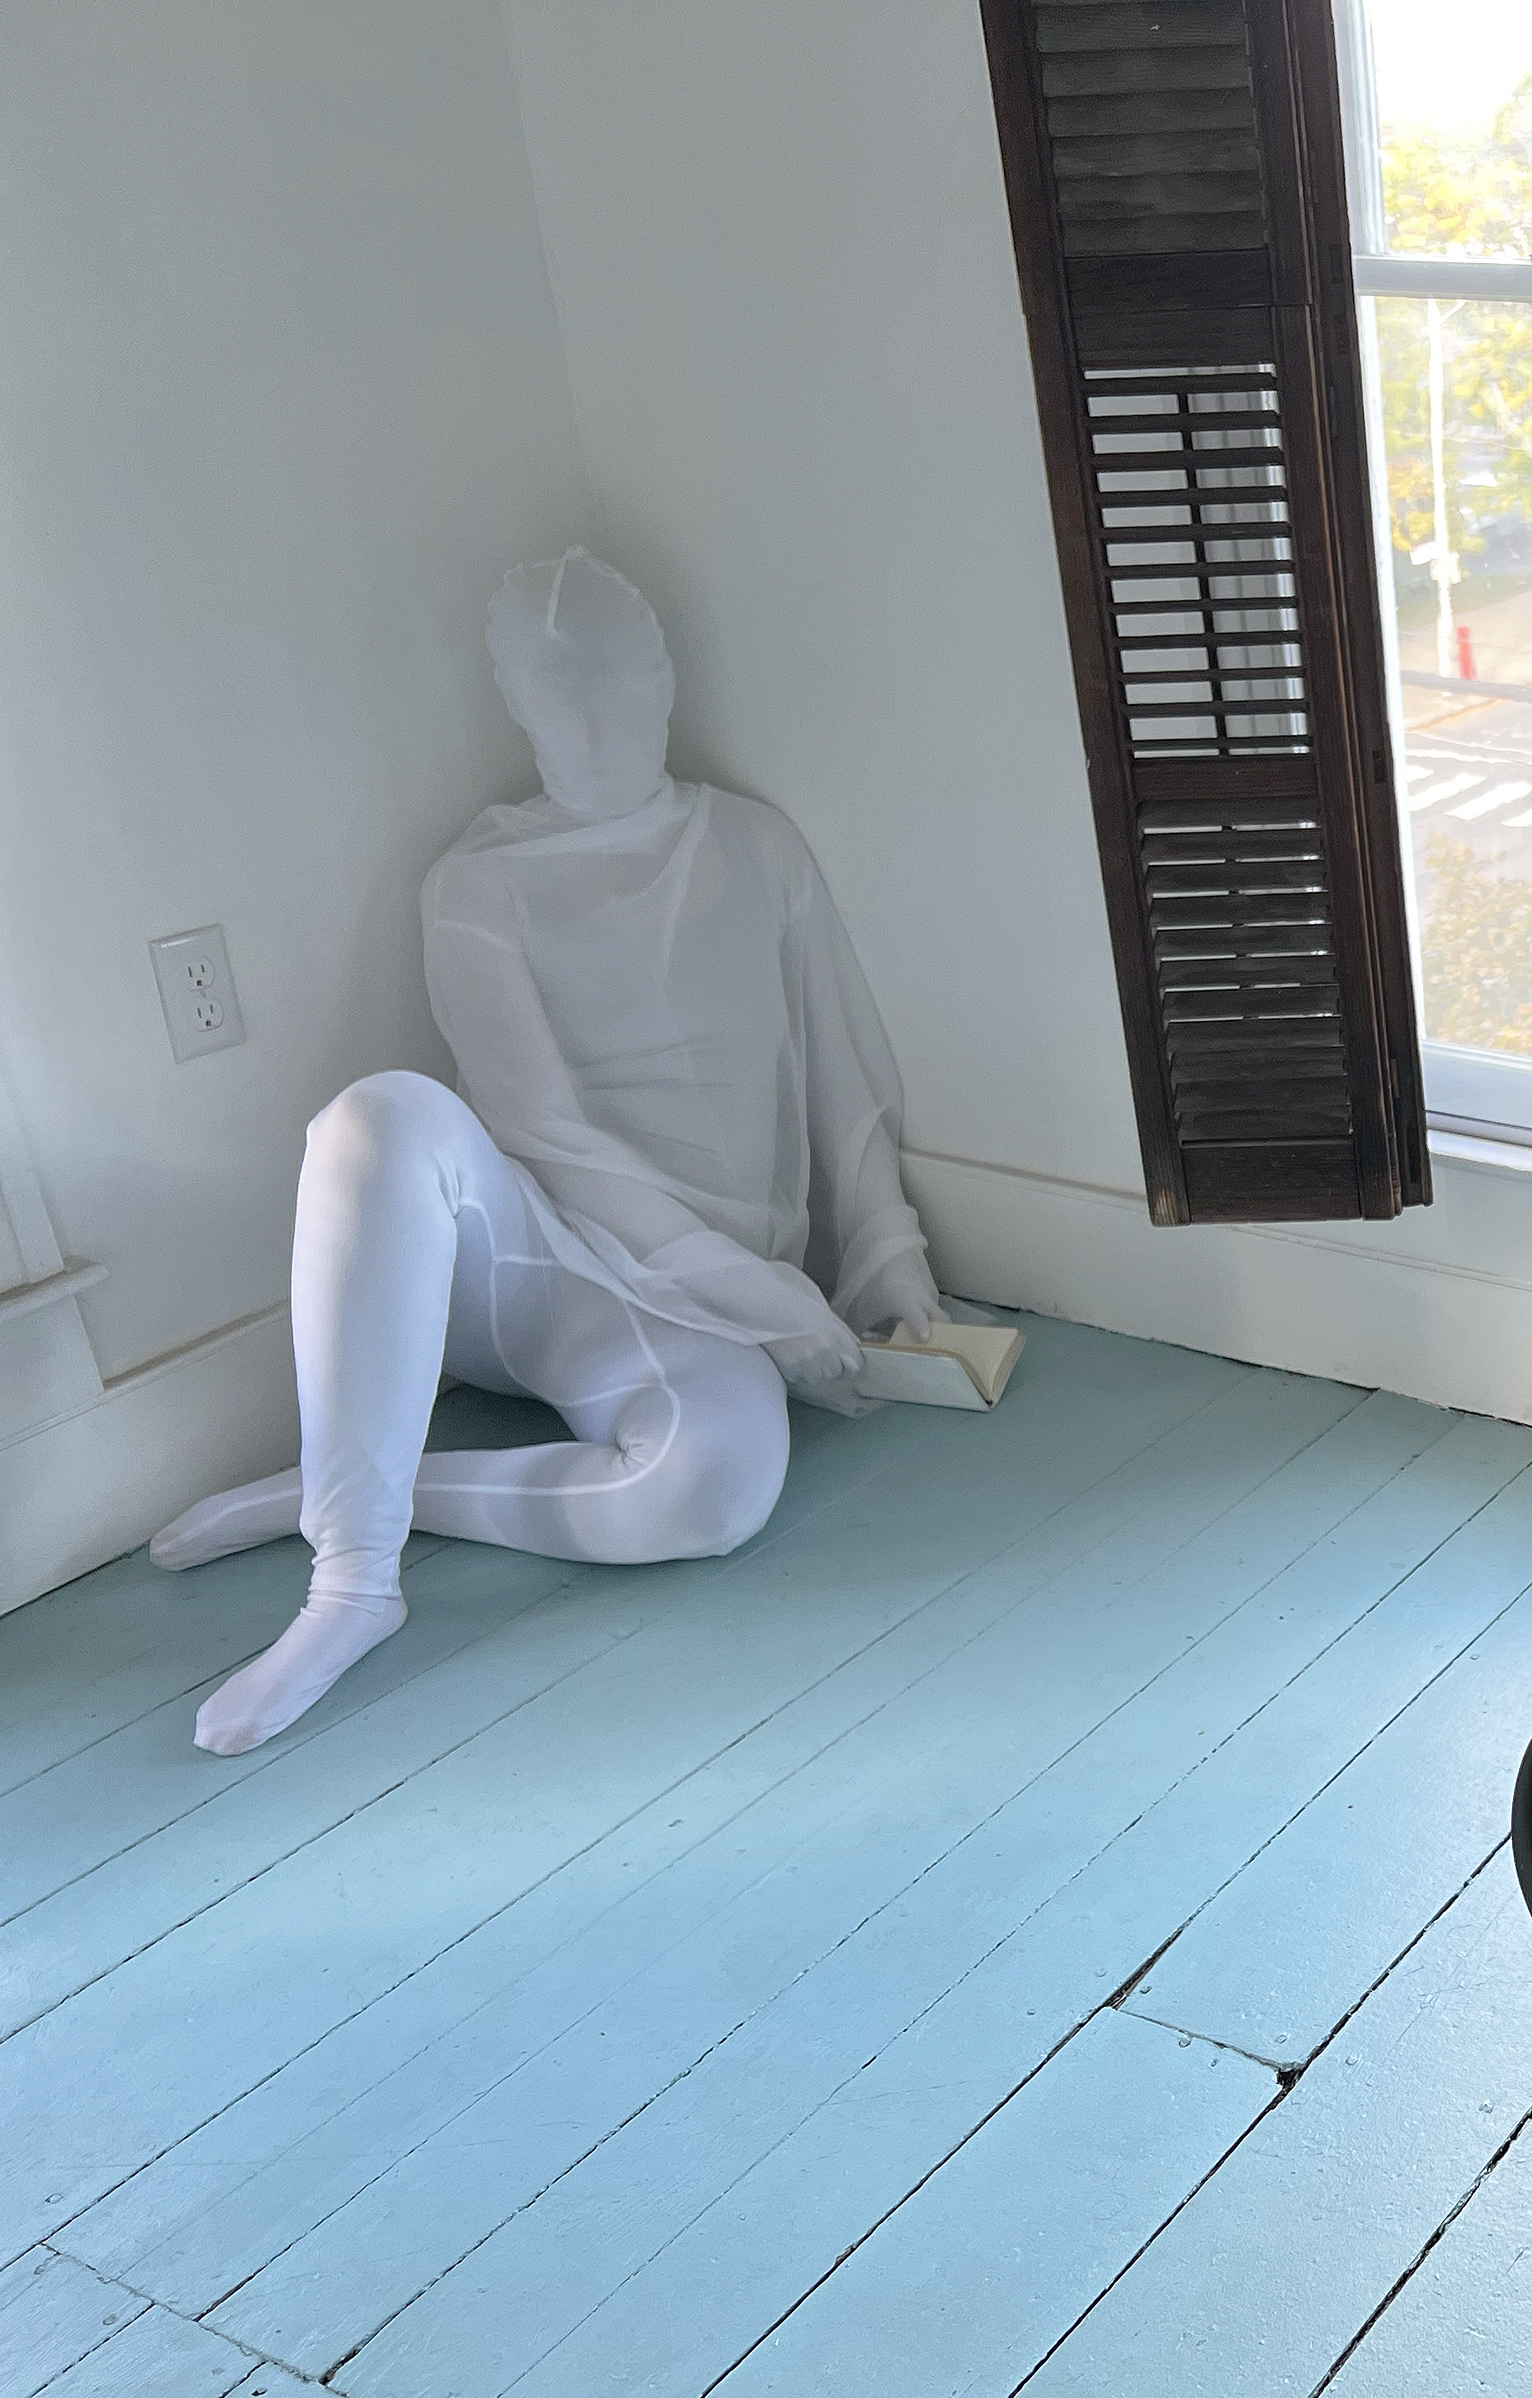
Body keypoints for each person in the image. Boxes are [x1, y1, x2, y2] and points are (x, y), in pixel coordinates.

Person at [149, 551, 941, 1756]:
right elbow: (535, 1129)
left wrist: (890, 1264)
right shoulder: (478, 884)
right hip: (544, 1266)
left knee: (714, 1491)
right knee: (381, 1114)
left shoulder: (755, 846)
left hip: (692, 1309)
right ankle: (350, 1572)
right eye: (554, 686)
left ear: (667, 677)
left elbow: (837, 1080)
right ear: (513, 702)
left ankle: (354, 1492)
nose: (592, 714)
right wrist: (752, 1286)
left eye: (618, 677)